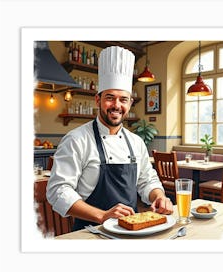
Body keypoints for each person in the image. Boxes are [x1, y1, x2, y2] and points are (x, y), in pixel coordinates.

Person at [46, 46, 173, 231]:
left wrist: (158, 196)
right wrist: (102, 216)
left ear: (130, 103)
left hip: (131, 232)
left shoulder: (136, 142)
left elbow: (147, 181)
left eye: (123, 99)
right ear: (98, 100)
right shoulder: (76, 139)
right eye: (110, 98)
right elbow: (58, 191)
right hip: (90, 232)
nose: (116, 105)